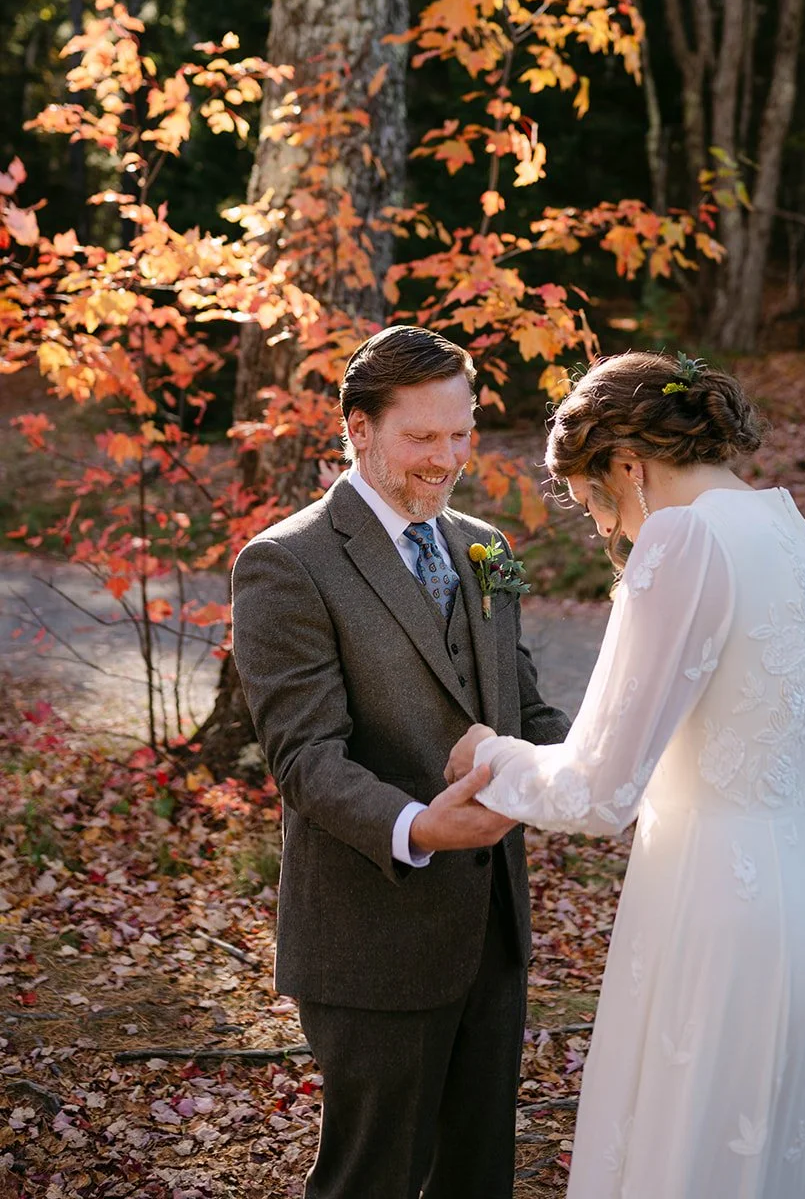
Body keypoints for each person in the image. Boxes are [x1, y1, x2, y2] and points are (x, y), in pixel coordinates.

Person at [448, 351, 805, 1198]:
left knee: (689, 1157)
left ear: (627, 467)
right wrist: (740, 773)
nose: (612, 533)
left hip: (712, 900)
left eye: (598, 503)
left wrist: (490, 756)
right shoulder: (788, 527)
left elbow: (599, 790)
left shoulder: (682, 537)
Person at [230, 324, 569, 1199]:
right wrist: (418, 824)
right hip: (370, 935)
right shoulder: (286, 562)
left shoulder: (484, 546)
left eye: (460, 434)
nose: (446, 458)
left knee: (476, 1176)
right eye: (421, 437)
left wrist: (601, 766)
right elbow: (304, 757)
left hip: (494, 930)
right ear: (358, 428)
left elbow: (524, 710)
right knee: (372, 1180)